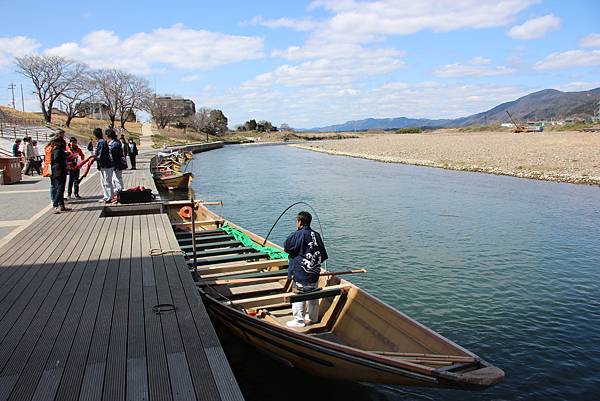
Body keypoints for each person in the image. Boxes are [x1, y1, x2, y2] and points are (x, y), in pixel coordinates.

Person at [283, 211, 328, 328]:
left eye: (297, 221)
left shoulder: (298, 234)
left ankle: (299, 320)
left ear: (300, 222)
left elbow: (286, 247)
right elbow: (323, 255)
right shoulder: (316, 235)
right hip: (314, 273)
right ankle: (313, 317)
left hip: (301, 273)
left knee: (299, 294)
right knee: (313, 294)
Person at [49, 133, 70, 213]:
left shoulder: (54, 148)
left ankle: (62, 205)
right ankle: (55, 205)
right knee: (60, 188)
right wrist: (65, 154)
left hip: (57, 170)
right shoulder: (57, 149)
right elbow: (57, 159)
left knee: (60, 188)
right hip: (59, 170)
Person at [94, 128, 114, 203]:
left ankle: (110, 196)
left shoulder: (102, 142)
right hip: (102, 165)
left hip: (106, 165)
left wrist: (95, 158)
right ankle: (106, 196)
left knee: (107, 181)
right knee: (103, 181)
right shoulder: (100, 142)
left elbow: (101, 155)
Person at [107, 129, 127, 195]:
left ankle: (120, 191)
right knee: (115, 178)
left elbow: (113, 155)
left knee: (117, 178)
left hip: (116, 164)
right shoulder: (116, 142)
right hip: (117, 163)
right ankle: (118, 190)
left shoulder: (114, 144)